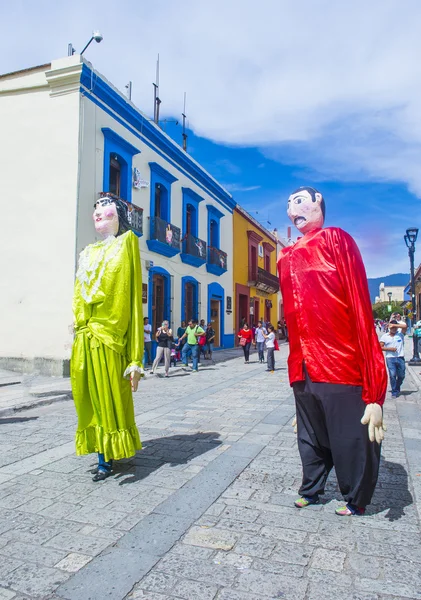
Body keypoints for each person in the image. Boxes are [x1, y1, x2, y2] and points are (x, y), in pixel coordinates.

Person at [278, 186, 387, 516]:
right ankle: (311, 488)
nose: (291, 209)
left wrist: (375, 392)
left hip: (339, 362)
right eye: (288, 203)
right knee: (310, 436)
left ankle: (356, 497)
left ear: (318, 204)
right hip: (303, 364)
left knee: (349, 435)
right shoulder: (287, 255)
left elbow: (360, 308)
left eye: (299, 201)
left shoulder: (337, 239)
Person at [71, 196, 143, 482]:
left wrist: (136, 356)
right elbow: (79, 294)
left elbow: (134, 303)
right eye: (96, 212)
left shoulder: (127, 243)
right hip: (85, 336)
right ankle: (102, 453)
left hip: (112, 338)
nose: (99, 215)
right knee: (87, 397)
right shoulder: (86, 252)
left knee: (110, 397)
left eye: (107, 211)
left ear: (119, 217)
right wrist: (77, 329)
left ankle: (109, 456)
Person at [380, 319, 407, 398]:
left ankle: (397, 387)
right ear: (389, 328)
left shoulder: (400, 334)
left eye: (395, 327)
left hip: (400, 357)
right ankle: (394, 391)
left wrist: (395, 325)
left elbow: (405, 326)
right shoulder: (385, 336)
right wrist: (389, 349)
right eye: (392, 327)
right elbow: (380, 347)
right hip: (390, 358)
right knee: (392, 375)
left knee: (401, 375)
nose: (394, 329)